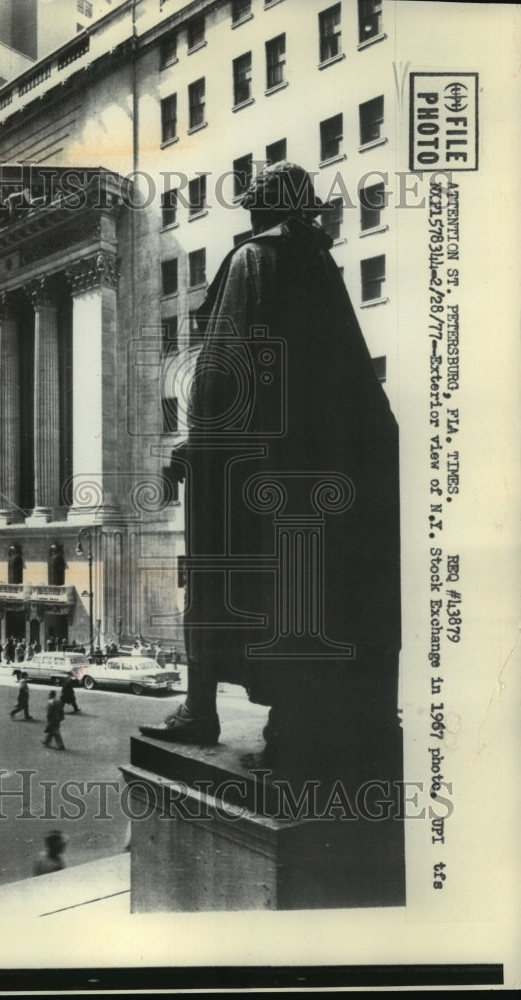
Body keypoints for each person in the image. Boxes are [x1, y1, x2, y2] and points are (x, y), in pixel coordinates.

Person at [139, 162, 402, 790]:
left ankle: (207, 714)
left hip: (247, 467)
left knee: (219, 589)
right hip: (315, 467)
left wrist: (195, 449)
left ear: (261, 207)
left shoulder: (255, 259)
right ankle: (285, 725)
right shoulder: (318, 264)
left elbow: (222, 369)